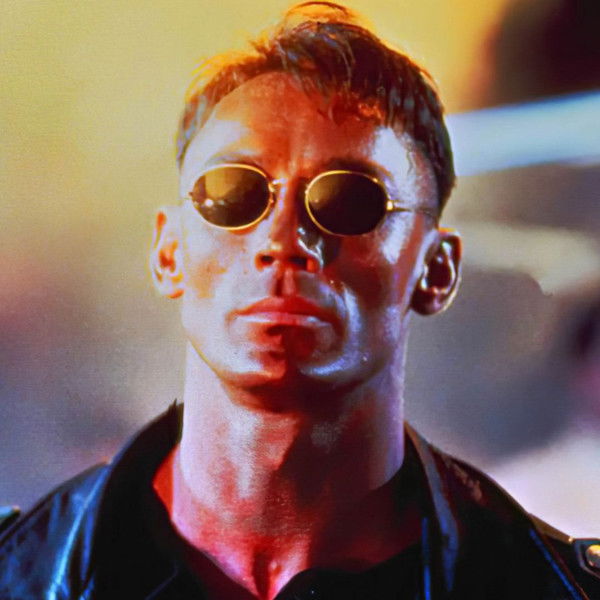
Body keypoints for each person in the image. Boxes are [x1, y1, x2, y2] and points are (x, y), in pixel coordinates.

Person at [0, 2, 598, 598]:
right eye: (232, 193)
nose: (283, 239)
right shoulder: (20, 574)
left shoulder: (547, 587)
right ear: (169, 250)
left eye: (349, 201)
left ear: (435, 269)